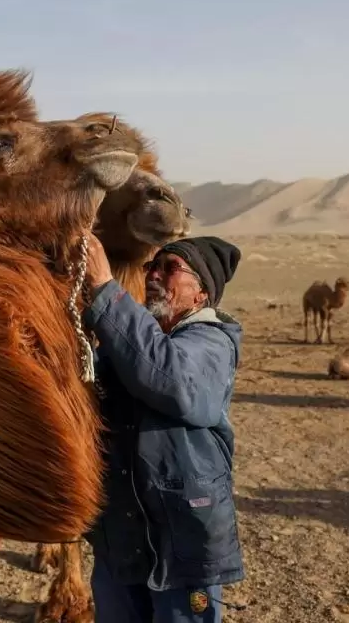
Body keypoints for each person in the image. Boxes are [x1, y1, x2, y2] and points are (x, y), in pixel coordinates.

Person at [81, 233, 246, 623]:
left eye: (170, 268)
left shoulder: (212, 342)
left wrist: (106, 289)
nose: (155, 274)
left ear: (201, 294)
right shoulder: (130, 343)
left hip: (183, 537)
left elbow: (172, 381)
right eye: (151, 266)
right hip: (122, 535)